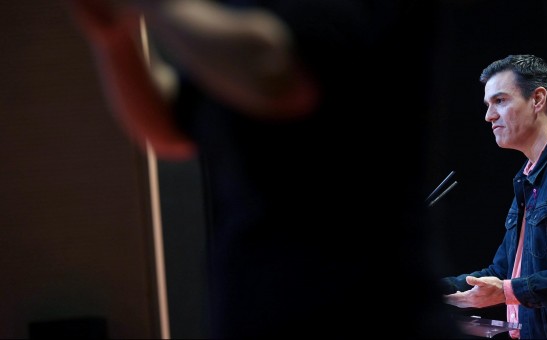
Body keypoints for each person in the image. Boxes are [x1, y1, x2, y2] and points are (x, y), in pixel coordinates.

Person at [66, 0, 458, 337]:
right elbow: (171, 129)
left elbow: (273, 73)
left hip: (360, 310)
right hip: (256, 309)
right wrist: (114, 38)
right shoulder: (240, 10)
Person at [441, 55, 547, 338]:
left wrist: (507, 292)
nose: (489, 116)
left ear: (538, 99)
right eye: (488, 105)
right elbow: (502, 271)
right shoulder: (528, 176)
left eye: (499, 101)